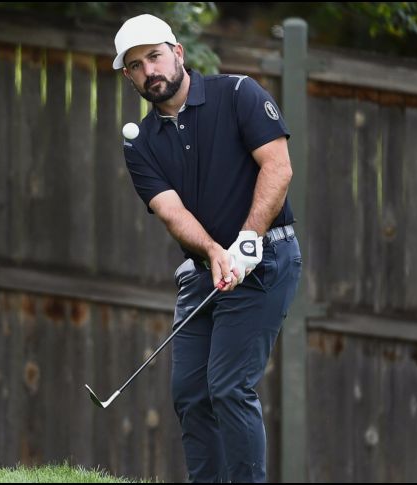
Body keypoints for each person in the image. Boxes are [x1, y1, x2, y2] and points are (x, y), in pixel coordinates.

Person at [113, 13, 302, 483]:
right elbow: (171, 211)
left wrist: (249, 238)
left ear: (178, 53)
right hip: (206, 271)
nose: (149, 71)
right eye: (135, 66)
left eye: (155, 56)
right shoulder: (140, 143)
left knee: (229, 387)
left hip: (267, 259)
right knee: (191, 392)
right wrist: (216, 252)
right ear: (128, 77)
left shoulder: (238, 94)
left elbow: (278, 168)